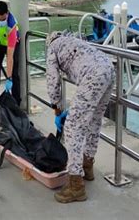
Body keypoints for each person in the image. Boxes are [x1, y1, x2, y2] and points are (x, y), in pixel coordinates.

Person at [45, 31, 115, 203]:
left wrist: (57, 110)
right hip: (109, 69)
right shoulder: (74, 41)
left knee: (72, 127)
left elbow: (52, 81)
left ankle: (75, 184)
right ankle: (87, 164)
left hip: (93, 75)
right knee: (94, 121)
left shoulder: (52, 48)